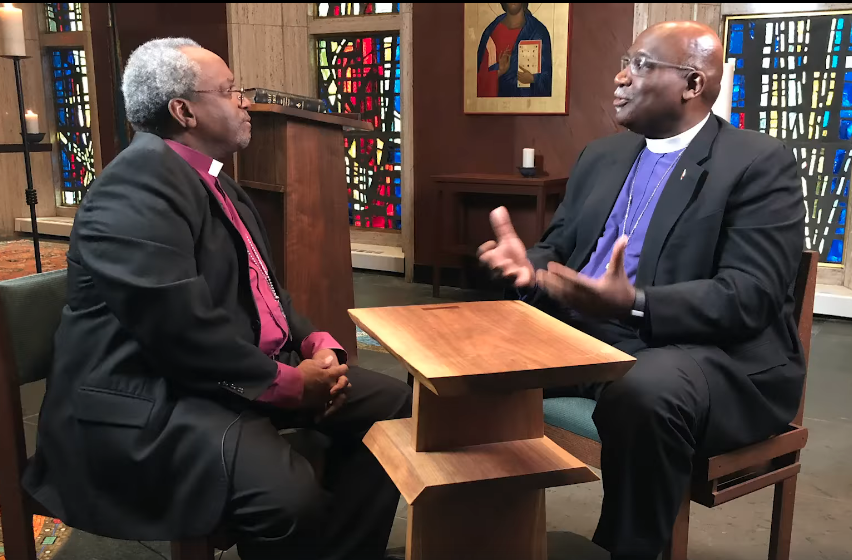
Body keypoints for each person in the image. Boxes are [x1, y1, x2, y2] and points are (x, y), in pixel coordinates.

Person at [23, 38, 411, 560]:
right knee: (286, 496)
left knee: (396, 407)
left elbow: (265, 291)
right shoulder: (134, 188)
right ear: (183, 111)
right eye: (230, 91)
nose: (244, 101)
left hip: (209, 379)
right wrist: (291, 385)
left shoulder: (216, 182)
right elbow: (180, 331)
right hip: (147, 400)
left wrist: (315, 341)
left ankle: (344, 551)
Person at [478, 21, 805, 560]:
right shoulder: (601, 157)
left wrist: (634, 302)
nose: (620, 77)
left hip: (705, 356)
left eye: (640, 65)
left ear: (693, 84)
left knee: (647, 389)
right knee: (465, 352)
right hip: (589, 338)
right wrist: (527, 269)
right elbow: (557, 248)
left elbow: (750, 296)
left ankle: (626, 550)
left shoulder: (757, 163)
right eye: (625, 62)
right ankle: (491, 537)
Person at [476, 2, 552, 97]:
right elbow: (478, 80)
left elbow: (549, 79)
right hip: (497, 107)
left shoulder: (538, 32)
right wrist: (499, 71)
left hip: (527, 106)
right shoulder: (491, 32)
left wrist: (533, 78)